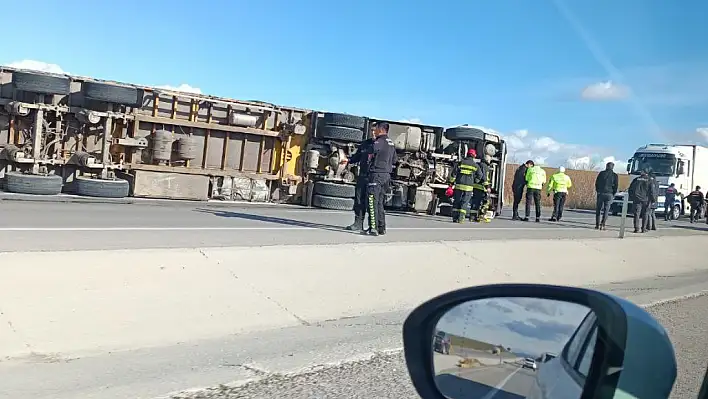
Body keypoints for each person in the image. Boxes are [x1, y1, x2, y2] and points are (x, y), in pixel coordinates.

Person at [364, 121, 397, 236]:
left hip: (376, 175)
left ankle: (373, 228)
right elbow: (394, 160)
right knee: (380, 203)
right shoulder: (391, 143)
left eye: (376, 129)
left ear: (381, 129)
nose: (374, 131)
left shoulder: (379, 141)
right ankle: (381, 227)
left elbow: (371, 151)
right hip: (386, 176)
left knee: (372, 201)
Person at [344, 136, 375, 232]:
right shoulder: (365, 143)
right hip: (362, 175)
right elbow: (357, 156)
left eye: (375, 131)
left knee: (372, 202)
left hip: (373, 177)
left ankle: (374, 226)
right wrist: (348, 160)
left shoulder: (381, 144)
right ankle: (358, 223)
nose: (373, 133)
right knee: (358, 200)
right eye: (372, 131)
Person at [447, 148, 484, 223]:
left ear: (467, 154)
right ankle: (461, 218)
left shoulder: (460, 163)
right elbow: (480, 175)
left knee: (457, 201)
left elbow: (453, 174)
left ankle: (455, 218)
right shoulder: (475, 165)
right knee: (464, 202)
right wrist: (474, 181)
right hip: (469, 187)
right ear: (474, 156)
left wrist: (451, 183)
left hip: (459, 186)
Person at [594, 162, 618, 230]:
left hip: (601, 193)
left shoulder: (601, 173)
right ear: (612, 167)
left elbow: (597, 183)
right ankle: (603, 224)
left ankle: (597, 224)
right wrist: (613, 194)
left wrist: (598, 191)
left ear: (606, 166)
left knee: (598, 209)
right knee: (606, 210)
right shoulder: (615, 175)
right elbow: (616, 186)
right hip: (609, 194)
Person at [470, 154, 493, 222]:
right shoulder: (485, 166)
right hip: (481, 187)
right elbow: (484, 177)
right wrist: (487, 187)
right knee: (483, 202)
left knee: (475, 202)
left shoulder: (478, 164)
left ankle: (473, 216)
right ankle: (480, 216)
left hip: (475, 186)